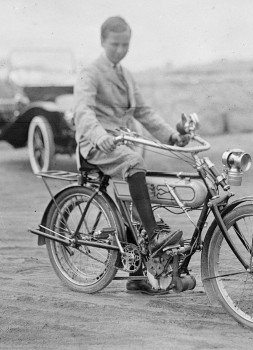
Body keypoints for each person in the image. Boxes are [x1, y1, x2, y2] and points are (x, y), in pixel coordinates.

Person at [73, 16, 189, 294]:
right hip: (97, 144)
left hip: (122, 141)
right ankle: (154, 237)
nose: (120, 50)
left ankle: (137, 276)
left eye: (126, 45)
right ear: (103, 42)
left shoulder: (126, 74)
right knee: (135, 163)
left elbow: (144, 111)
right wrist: (99, 136)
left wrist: (171, 136)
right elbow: (83, 111)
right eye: (115, 45)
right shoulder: (90, 72)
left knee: (137, 198)